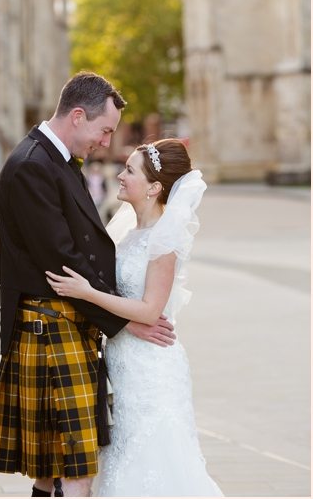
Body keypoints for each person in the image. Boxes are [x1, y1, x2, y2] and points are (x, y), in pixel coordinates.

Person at [0, 72, 176, 497]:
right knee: (76, 469)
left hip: (64, 326)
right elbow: (62, 261)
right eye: (105, 130)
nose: (105, 142)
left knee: (52, 468)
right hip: (51, 328)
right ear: (79, 116)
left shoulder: (54, 160)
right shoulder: (32, 166)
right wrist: (127, 321)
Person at [46, 139, 222, 496]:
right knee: (124, 458)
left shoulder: (163, 238)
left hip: (152, 368)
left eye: (130, 170)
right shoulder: (128, 234)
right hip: (123, 362)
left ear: (155, 187)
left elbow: (150, 310)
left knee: (156, 460)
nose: (120, 176)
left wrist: (86, 293)